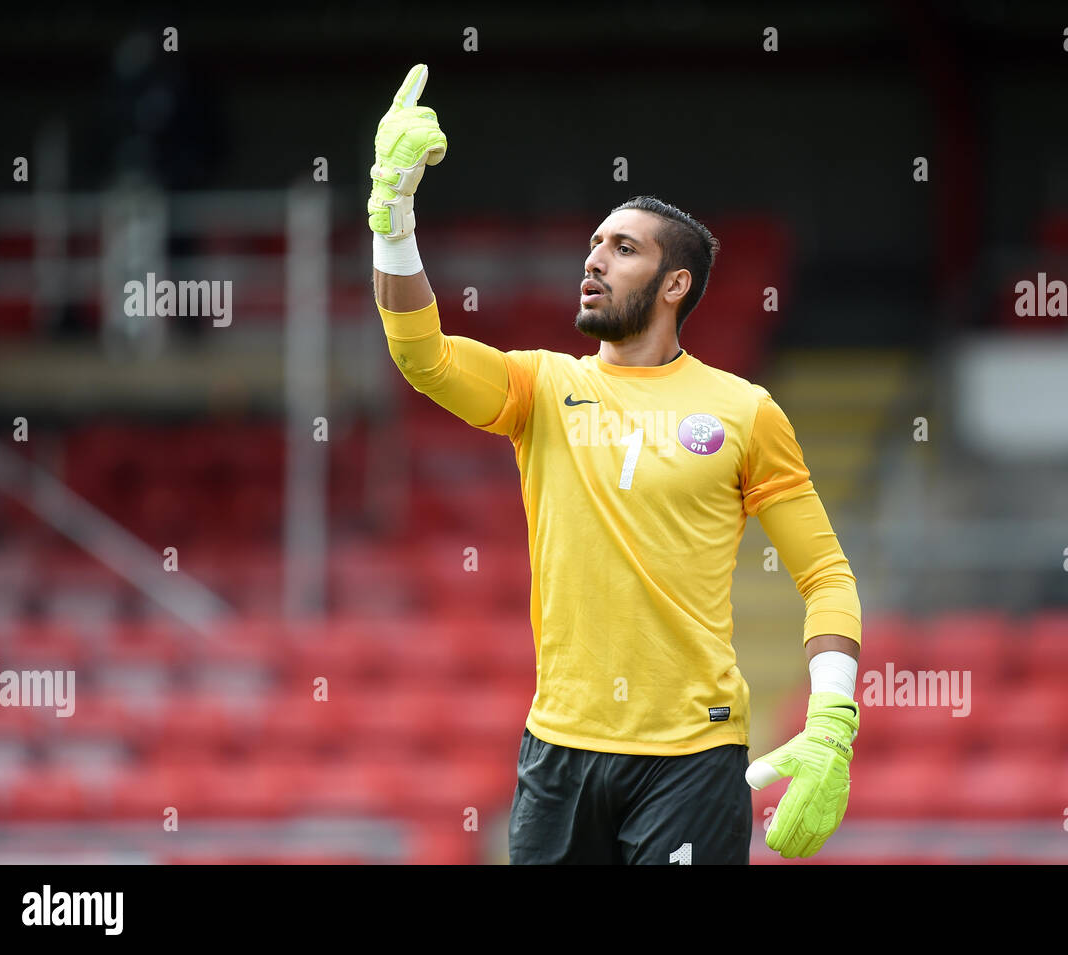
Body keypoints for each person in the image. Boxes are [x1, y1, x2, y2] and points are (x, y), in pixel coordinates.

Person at [368, 65, 863, 865]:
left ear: (675, 283)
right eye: (594, 243)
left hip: (691, 761)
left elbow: (828, 576)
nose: (593, 260)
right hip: (556, 751)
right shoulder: (542, 384)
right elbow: (419, 354)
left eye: (622, 248)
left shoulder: (745, 410)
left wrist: (832, 724)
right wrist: (394, 215)